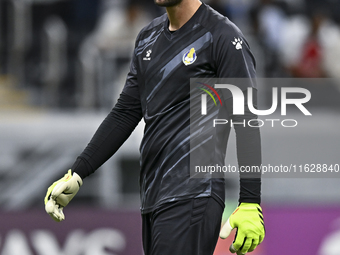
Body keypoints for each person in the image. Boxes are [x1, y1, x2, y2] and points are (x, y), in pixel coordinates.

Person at [44, 0, 265, 254]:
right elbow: (125, 113)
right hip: (153, 197)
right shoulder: (147, 38)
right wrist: (78, 172)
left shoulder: (222, 36)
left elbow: (246, 120)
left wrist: (250, 201)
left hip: (194, 193)